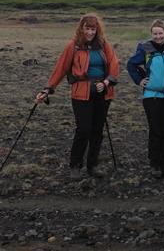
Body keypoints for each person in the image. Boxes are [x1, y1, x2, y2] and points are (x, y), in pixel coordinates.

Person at [36, 13, 119, 179]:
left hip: (103, 93)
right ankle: (75, 165)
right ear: (81, 28)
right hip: (81, 93)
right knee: (83, 129)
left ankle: (92, 166)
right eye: (87, 28)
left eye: (93, 29)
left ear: (97, 30)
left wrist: (107, 82)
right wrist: (48, 89)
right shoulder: (73, 46)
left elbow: (114, 64)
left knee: (97, 131)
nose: (90, 32)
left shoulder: (104, 45)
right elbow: (60, 68)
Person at [126, 19, 164, 179]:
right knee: (155, 130)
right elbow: (131, 65)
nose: (158, 36)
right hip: (151, 96)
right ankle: (155, 164)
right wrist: (139, 80)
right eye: (155, 33)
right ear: (151, 34)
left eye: (161, 33)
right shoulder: (145, 49)